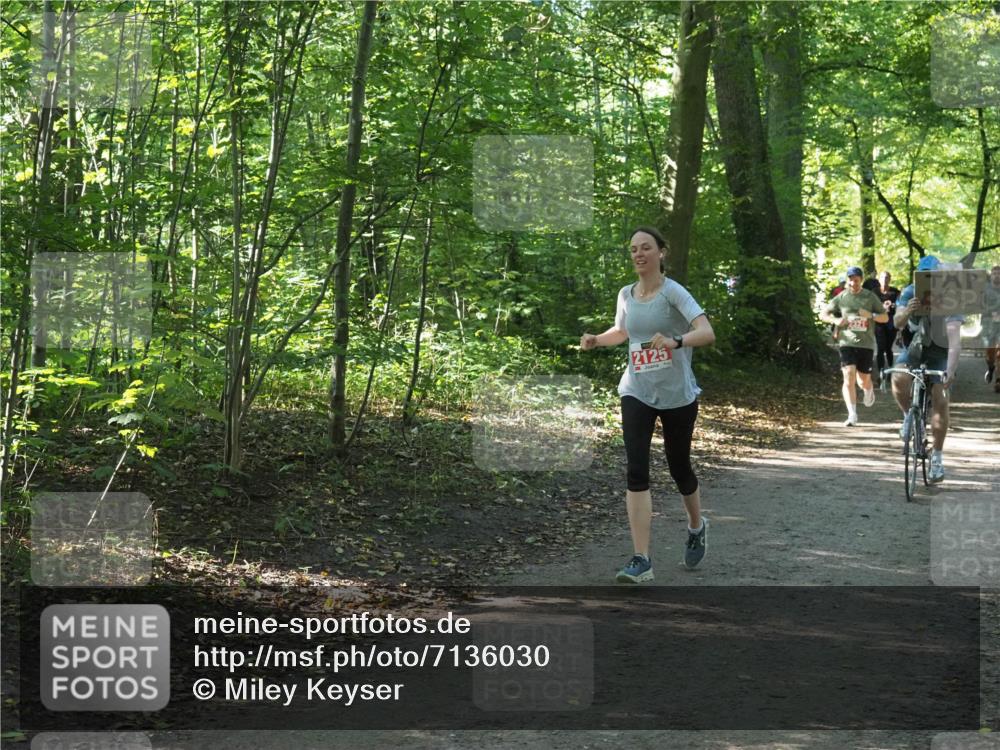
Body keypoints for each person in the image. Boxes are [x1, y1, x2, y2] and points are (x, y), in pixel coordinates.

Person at [581, 226, 716, 583]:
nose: (638, 254)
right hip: (636, 389)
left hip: (677, 395)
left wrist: (675, 340)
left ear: (661, 252)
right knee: (636, 468)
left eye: (646, 248)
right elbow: (623, 332)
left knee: (679, 467)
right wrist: (598, 338)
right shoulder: (626, 294)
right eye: (633, 250)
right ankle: (641, 559)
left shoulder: (673, 293)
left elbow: (707, 332)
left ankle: (696, 525)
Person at [891, 255, 963, 482]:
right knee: (898, 377)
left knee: (940, 397)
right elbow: (897, 323)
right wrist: (907, 311)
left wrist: (949, 371)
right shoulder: (909, 292)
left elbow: (954, 340)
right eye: (924, 276)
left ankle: (938, 457)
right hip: (916, 347)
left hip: (940, 351)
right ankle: (908, 417)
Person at [820, 266, 889, 426]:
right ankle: (852, 415)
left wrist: (870, 315)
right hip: (846, 342)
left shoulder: (870, 297)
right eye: (851, 279)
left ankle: (869, 388)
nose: (853, 282)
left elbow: (885, 318)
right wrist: (836, 321)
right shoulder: (841, 297)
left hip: (866, 343)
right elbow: (823, 314)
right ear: (847, 280)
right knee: (848, 375)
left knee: (862, 380)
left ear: (861, 280)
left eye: (856, 279)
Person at [875, 270, 901, 388]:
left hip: (891, 323)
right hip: (879, 323)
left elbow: (901, 305)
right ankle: (881, 373)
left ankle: (890, 371)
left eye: (887, 278)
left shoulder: (895, 292)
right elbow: (870, 306)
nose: (884, 280)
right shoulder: (874, 292)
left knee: (888, 348)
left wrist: (895, 306)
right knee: (880, 348)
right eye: (882, 277)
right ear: (879, 279)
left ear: (890, 279)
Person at [983, 264, 1000, 392]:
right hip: (988, 324)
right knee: (990, 353)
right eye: (994, 273)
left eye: (999, 273)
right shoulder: (985, 289)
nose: (997, 275)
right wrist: (990, 312)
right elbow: (979, 305)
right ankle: (990, 367)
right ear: (991, 275)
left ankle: (998, 381)